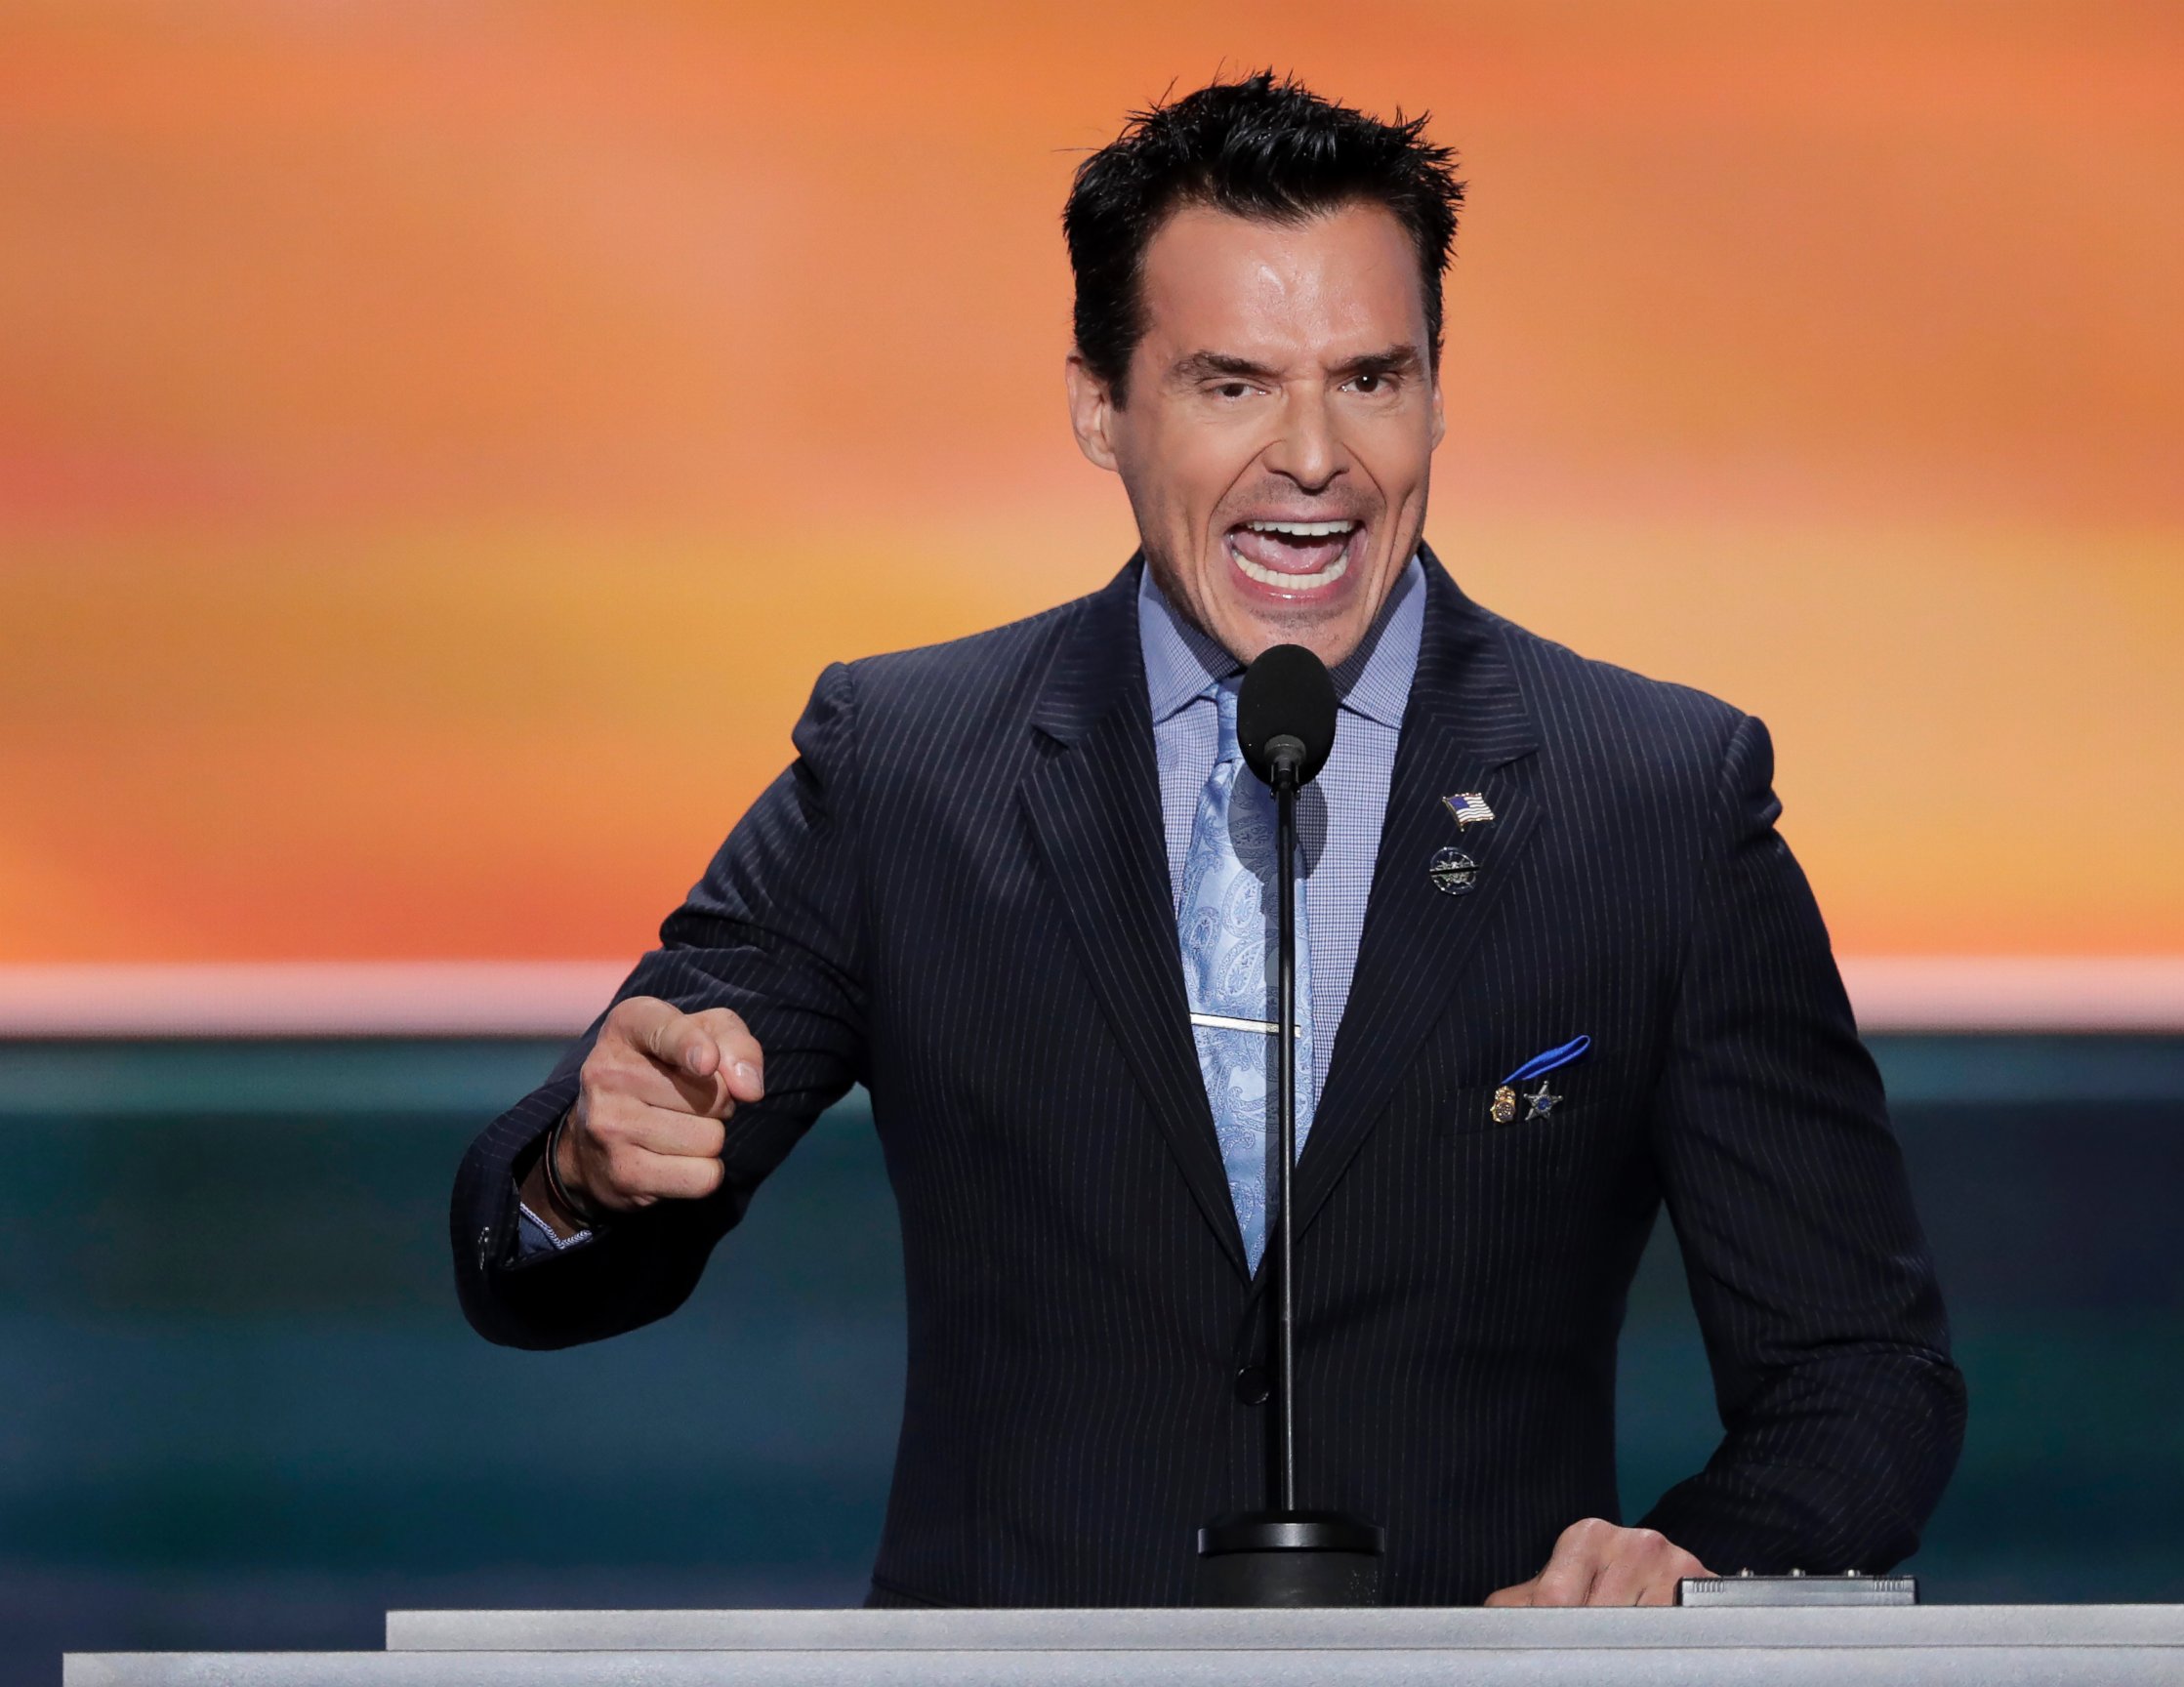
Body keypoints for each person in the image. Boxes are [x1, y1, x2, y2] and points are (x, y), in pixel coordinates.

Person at [452, 71, 1963, 1609]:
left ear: (1439, 390)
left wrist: (1691, 1565)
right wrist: (586, 1172)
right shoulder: (908, 766)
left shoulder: (1654, 798)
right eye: (1232, 384)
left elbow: (1862, 1371)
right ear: (1101, 406)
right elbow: (567, 1240)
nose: (1313, 456)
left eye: (1371, 379)